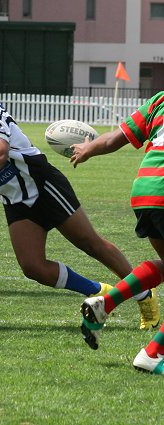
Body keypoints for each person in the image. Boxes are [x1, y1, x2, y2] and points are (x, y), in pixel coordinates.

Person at [0, 60, 159, 330]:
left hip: (43, 187)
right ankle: (98, 290)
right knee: (32, 267)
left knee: (90, 243)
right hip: (15, 198)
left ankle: (144, 295)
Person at [71, 91, 164, 373]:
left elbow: (116, 137)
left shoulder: (160, 99)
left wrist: (88, 149)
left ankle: (106, 302)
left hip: (146, 192)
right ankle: (153, 353)